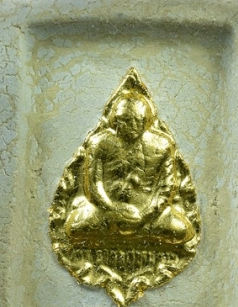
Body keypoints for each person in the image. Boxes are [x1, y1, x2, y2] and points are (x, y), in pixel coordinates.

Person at [64, 89, 195, 245]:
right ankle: (135, 237)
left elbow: (166, 188)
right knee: (74, 228)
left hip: (149, 215)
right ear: (116, 120)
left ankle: (124, 236)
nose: (132, 126)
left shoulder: (162, 145)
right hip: (106, 212)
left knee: (181, 230)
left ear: (145, 121)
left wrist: (145, 214)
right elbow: (94, 185)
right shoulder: (99, 143)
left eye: (137, 120)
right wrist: (112, 209)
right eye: (126, 120)